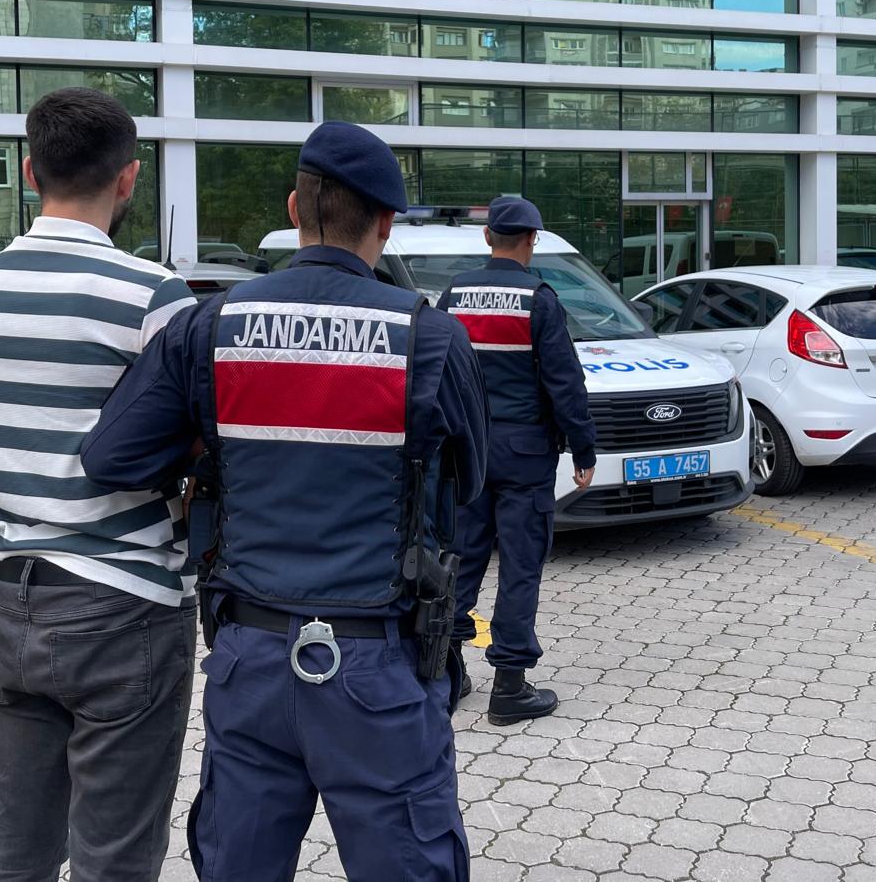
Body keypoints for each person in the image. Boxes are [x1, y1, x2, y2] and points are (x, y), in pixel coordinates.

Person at [81, 121, 489, 881]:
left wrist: (216, 443)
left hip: (251, 660)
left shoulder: (210, 325)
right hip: (380, 666)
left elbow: (111, 458)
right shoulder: (429, 337)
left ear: (295, 208)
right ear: (385, 222)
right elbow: (471, 486)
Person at [0, 88, 199, 882]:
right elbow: (194, 441)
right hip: (125, 601)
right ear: (128, 178)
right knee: (114, 850)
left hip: (10, 597)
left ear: (31, 173)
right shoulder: (153, 295)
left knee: (18, 834)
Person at [439, 196, 596, 725]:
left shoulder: (455, 294)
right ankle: (509, 686)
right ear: (532, 239)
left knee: (459, 559)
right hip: (526, 455)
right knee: (520, 568)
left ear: (488, 237)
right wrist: (583, 447)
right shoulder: (539, 299)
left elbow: (437, 373)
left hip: (467, 451)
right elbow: (565, 383)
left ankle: (446, 673)